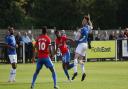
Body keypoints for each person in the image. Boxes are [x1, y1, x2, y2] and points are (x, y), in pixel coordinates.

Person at [72, 15, 93, 81]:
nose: (82, 21)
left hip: (81, 44)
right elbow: (92, 26)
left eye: (83, 20)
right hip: (85, 45)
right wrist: (89, 20)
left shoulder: (82, 29)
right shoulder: (88, 27)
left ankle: (75, 72)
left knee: (75, 58)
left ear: (86, 22)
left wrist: (77, 40)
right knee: (80, 61)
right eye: (83, 20)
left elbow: (78, 37)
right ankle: (83, 73)